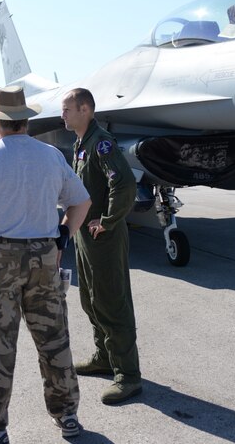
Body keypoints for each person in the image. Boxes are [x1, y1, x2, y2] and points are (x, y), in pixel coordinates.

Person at [0, 86, 92, 444]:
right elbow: (81, 202)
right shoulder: (51, 156)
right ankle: (67, 416)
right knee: (53, 339)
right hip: (44, 256)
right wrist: (61, 239)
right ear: (26, 121)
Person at [60, 87, 142, 404]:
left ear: (85, 109)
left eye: (67, 109)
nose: (63, 114)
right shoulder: (82, 142)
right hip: (85, 235)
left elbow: (123, 183)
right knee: (91, 299)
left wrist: (107, 220)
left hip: (103, 237)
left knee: (112, 301)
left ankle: (128, 375)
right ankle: (105, 357)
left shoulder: (101, 143)